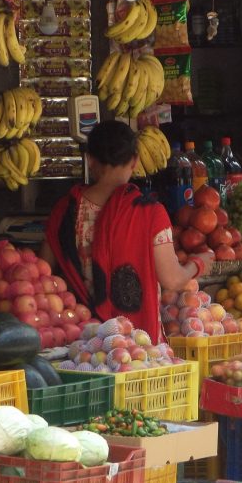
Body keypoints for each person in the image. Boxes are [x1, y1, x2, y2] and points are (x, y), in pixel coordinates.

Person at [41, 121, 213, 343]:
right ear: (135, 161)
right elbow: (172, 279)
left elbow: (43, 274)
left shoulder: (64, 211)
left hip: (81, 341)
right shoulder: (150, 212)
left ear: (90, 159)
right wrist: (198, 264)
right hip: (134, 344)